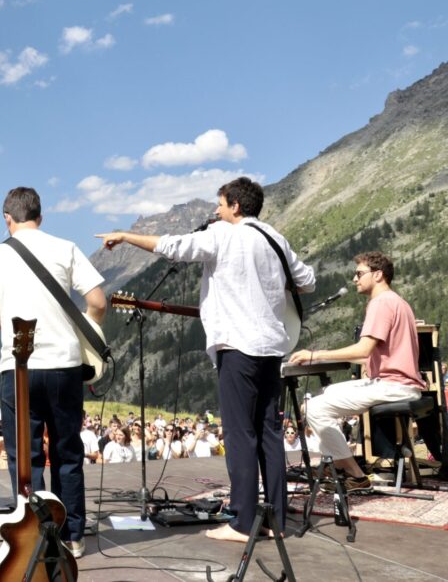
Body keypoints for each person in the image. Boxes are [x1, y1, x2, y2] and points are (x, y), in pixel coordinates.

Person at [99, 176, 315, 541]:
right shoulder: (275, 239)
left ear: (234, 205)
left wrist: (125, 235)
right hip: (272, 348)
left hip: (237, 347)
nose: (215, 211)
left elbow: (173, 246)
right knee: (269, 432)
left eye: (219, 204)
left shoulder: (222, 235)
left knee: (240, 434)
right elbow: (307, 280)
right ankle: (276, 519)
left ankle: (244, 523)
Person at [0, 187, 107, 558]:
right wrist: (86, 333)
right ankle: (72, 536)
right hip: (64, 364)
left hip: (18, 368)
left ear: (7, 218)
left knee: (25, 457)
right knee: (67, 451)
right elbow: (97, 301)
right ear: (40, 216)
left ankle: (34, 533)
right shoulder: (64, 248)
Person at [288, 251, 425, 492]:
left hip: (393, 385)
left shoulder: (380, 303)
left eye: (360, 274)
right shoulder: (399, 302)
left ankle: (354, 474)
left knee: (313, 407)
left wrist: (314, 355)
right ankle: (339, 463)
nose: (355, 279)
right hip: (402, 384)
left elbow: (363, 352)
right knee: (326, 393)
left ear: (378, 275)